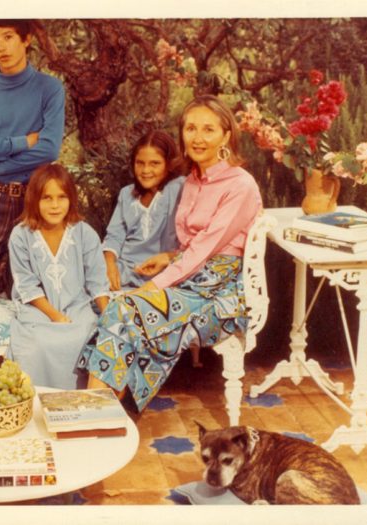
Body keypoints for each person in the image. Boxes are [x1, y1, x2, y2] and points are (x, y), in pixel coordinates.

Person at [77, 95, 263, 412]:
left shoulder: (240, 185)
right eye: (190, 128)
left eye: (207, 129)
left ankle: (96, 411)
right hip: (190, 281)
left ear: (226, 135)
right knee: (122, 309)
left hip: (219, 297)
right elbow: (194, 246)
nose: (197, 137)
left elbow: (207, 249)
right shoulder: (193, 180)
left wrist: (154, 286)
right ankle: (99, 409)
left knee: (125, 309)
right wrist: (170, 257)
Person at [0, 19, 65, 307]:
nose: (1, 46)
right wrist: (23, 142)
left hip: (36, 199)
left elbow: (48, 149)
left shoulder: (49, 89)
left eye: (8, 37)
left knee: (37, 298)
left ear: (26, 39)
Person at [8, 164, 110, 390]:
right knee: (36, 344)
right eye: (47, 198)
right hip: (38, 309)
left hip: (77, 306)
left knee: (86, 335)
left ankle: (78, 403)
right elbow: (26, 285)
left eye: (61, 197)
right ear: (34, 200)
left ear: (71, 199)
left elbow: (97, 280)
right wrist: (54, 315)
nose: (55, 205)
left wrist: (109, 316)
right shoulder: (20, 235)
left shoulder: (84, 232)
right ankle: (38, 402)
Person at [102, 130, 185, 291]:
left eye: (155, 163)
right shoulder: (127, 194)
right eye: (140, 163)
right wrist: (109, 263)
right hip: (124, 273)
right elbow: (114, 236)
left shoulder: (179, 188)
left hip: (162, 275)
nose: (146, 170)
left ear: (169, 164)